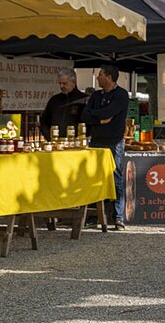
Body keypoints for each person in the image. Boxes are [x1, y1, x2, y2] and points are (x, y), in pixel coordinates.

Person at [82, 64, 130, 229]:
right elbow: (84, 115)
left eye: (100, 75)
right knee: (94, 178)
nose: (97, 77)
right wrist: (99, 119)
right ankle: (95, 215)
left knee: (115, 176)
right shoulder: (96, 95)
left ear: (109, 77)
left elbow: (109, 112)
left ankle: (118, 216)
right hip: (96, 140)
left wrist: (96, 115)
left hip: (114, 141)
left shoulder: (121, 95)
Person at [40, 67, 87, 140]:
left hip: (77, 144)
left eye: (64, 83)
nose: (61, 86)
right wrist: (49, 138)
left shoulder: (84, 100)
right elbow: (44, 121)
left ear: (73, 82)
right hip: (56, 144)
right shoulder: (54, 100)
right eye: (60, 83)